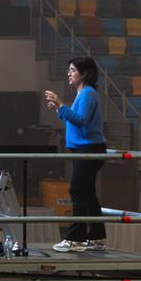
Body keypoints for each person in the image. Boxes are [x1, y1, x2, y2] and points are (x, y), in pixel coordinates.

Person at [44, 57, 106, 253]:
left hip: (89, 149)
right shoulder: (83, 94)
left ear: (84, 73)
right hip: (84, 149)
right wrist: (59, 110)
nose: (69, 74)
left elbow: (81, 120)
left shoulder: (88, 93)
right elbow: (75, 121)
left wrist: (61, 105)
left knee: (77, 191)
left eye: (72, 70)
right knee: (87, 193)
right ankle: (96, 237)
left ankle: (75, 238)